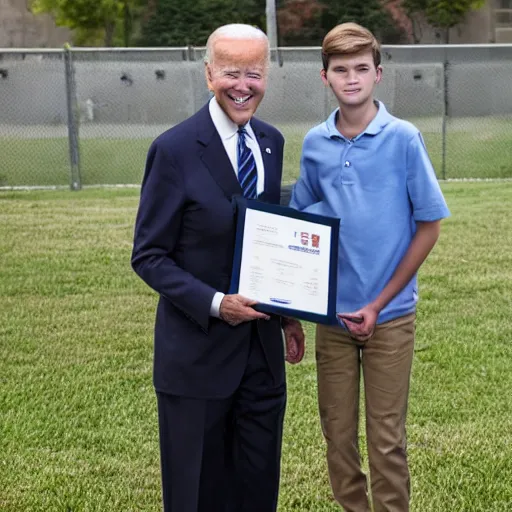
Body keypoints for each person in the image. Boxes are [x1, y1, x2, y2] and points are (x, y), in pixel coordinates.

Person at [131, 24, 305, 512]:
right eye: (231, 72)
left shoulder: (270, 142)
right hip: (197, 359)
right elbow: (148, 255)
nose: (243, 85)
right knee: (197, 495)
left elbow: (266, 241)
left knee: (257, 490)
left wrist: (288, 313)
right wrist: (215, 305)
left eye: (254, 72)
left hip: (261, 357)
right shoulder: (175, 149)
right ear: (209, 74)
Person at [290, 23, 450, 512]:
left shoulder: (403, 138)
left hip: (391, 316)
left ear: (378, 74)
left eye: (362, 68)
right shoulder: (315, 144)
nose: (352, 78)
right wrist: (291, 308)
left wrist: (378, 304)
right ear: (325, 78)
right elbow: (298, 231)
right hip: (332, 319)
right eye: (341, 70)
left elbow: (429, 226)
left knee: (386, 440)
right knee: (337, 438)